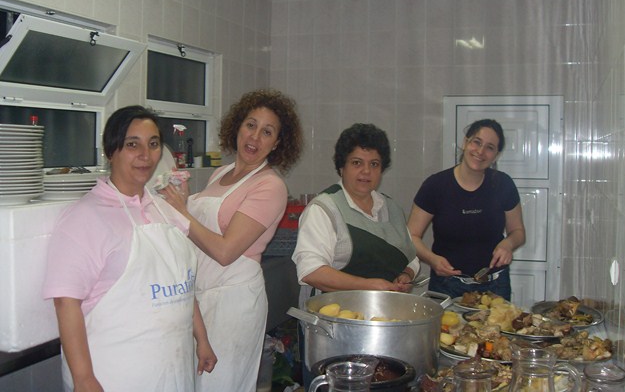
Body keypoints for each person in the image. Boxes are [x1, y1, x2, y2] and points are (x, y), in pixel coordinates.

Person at [42, 105, 216, 392]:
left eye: (153, 144)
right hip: (116, 374)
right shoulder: (84, 217)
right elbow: (65, 302)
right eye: (132, 144)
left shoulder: (164, 210)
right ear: (111, 151)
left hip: (173, 370)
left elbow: (181, 285)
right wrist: (83, 378)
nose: (145, 155)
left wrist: (202, 338)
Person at [162, 89, 303, 392]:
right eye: (251, 125)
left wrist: (181, 213)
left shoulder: (270, 186)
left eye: (267, 132)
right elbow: (200, 232)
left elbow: (226, 251)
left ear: (277, 143)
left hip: (233, 302)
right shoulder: (221, 173)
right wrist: (182, 203)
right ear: (238, 126)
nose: (255, 137)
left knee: (220, 384)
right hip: (202, 296)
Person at [291, 123, 419, 386]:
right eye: (357, 163)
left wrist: (405, 274)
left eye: (374, 164)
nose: (366, 172)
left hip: (382, 326)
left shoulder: (391, 207)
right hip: (334, 332)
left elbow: (411, 257)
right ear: (342, 166)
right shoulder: (324, 209)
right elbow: (311, 271)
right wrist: (369, 286)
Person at [407, 118, 526, 301]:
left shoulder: (503, 184)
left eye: (490, 147)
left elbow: (518, 232)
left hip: (495, 285)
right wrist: (432, 259)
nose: (480, 151)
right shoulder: (436, 185)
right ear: (465, 142)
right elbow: (411, 236)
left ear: (496, 155)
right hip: (446, 284)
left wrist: (508, 244)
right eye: (476, 142)